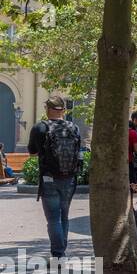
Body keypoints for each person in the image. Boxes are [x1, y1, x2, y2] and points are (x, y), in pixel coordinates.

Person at [27, 95, 82, 258]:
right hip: (69, 177)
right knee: (64, 216)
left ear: (47, 109)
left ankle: (58, 254)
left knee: (53, 219)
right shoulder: (74, 128)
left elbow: (32, 152)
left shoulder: (39, 128)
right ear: (63, 110)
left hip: (48, 177)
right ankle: (61, 251)